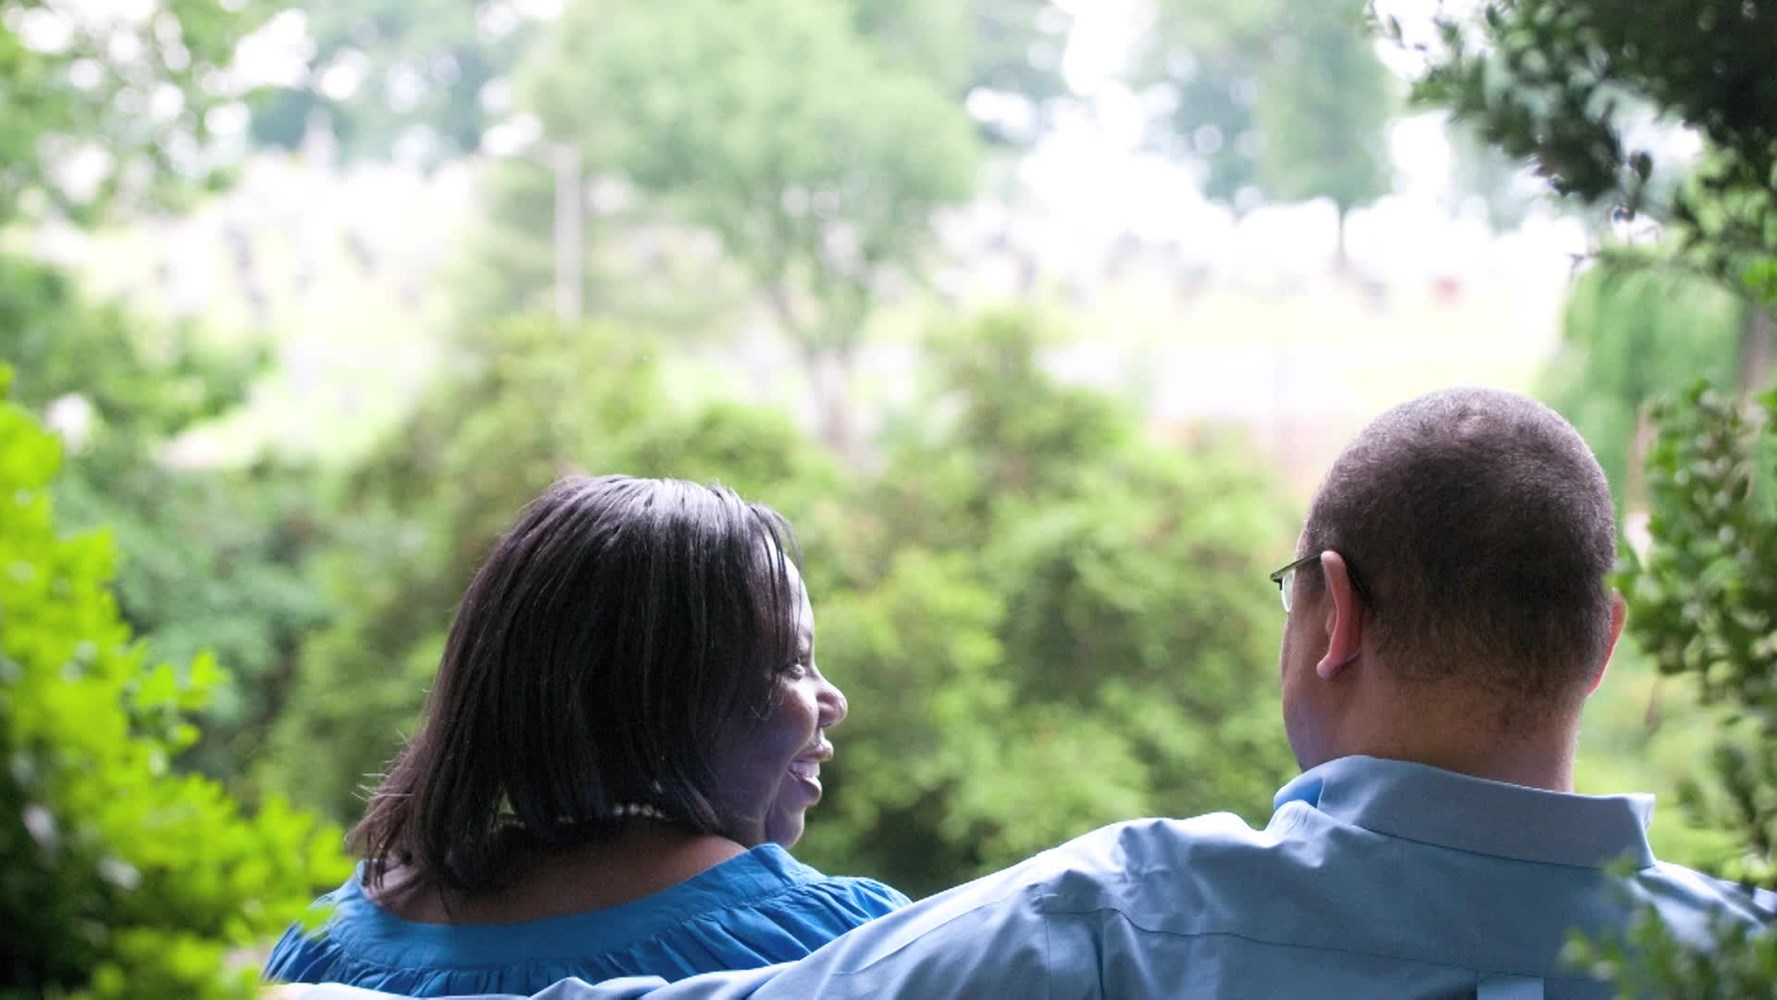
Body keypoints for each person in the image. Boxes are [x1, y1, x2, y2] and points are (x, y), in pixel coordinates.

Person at [281, 389, 1775, 999]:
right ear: (1601, 643)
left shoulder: (1115, 924)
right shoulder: (1736, 953)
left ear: (1336, 615)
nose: (827, 702)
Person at [262, 476, 908, 997]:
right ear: (663, 694)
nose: (834, 701)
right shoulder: (837, 950)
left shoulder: (323, 951)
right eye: (792, 663)